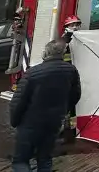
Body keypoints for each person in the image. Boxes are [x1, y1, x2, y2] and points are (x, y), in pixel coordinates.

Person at [9, 40, 81, 172]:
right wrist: (63, 111)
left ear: (45, 53)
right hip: (53, 123)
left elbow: (18, 101)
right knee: (45, 159)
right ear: (63, 53)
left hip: (30, 123)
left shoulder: (32, 73)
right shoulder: (71, 70)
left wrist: (14, 121)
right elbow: (75, 95)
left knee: (21, 161)